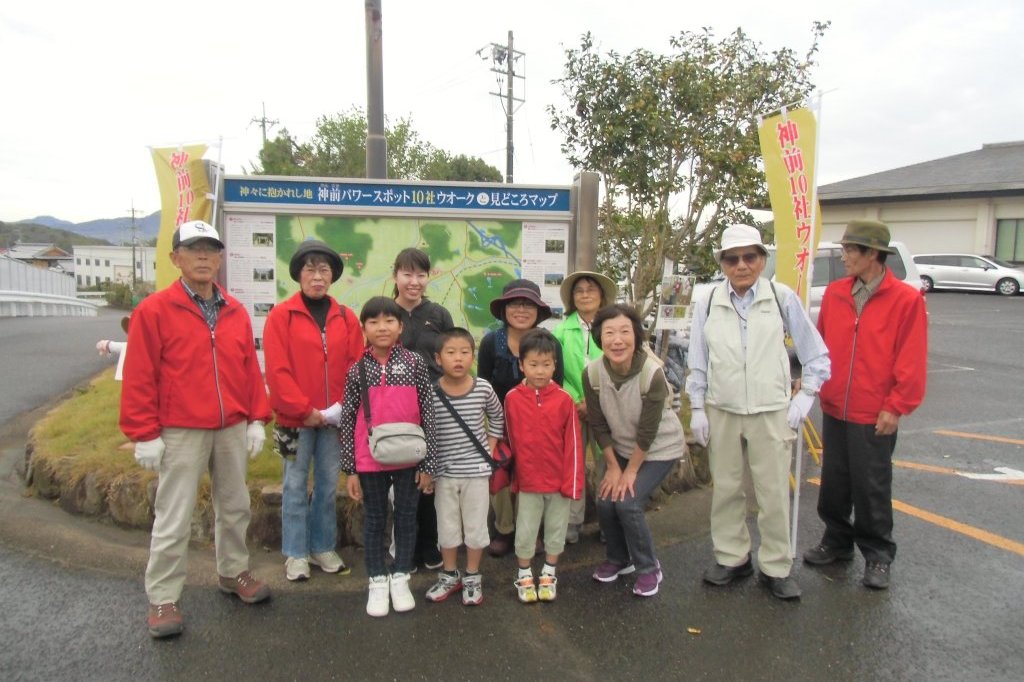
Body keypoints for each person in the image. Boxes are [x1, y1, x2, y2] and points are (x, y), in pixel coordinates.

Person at [119, 220, 272, 639]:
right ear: (176, 258)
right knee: (174, 513)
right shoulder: (154, 310)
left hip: (229, 426)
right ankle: (164, 596)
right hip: (180, 428)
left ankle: (234, 572)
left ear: (221, 258)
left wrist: (257, 417)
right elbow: (139, 374)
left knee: (235, 504)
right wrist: (144, 433)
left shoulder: (235, 311)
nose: (204, 256)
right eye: (194, 249)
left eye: (211, 249)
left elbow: (247, 370)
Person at [686, 224, 831, 600]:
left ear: (763, 260)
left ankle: (776, 565)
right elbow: (698, 360)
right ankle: (732, 557)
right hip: (724, 408)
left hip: (771, 410)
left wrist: (806, 395)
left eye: (750, 257)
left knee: (772, 493)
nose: (741, 265)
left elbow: (816, 354)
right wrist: (698, 407)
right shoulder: (708, 301)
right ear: (722, 263)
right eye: (732, 258)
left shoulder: (781, 297)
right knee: (727, 489)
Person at [803, 219, 927, 590]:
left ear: (872, 253)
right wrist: (812, 383)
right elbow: (820, 347)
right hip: (835, 404)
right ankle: (837, 541)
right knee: (835, 480)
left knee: (871, 484)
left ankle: (877, 554)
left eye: (850, 250)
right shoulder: (837, 294)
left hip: (875, 411)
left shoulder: (905, 299)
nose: (844, 257)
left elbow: (911, 358)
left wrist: (896, 405)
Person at [263, 239, 364, 582]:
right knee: (293, 484)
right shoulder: (281, 316)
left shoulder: (346, 318)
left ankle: (322, 546)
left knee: (325, 484)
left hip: (334, 419)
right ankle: (295, 552)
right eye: (310, 269)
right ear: (299, 274)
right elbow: (277, 370)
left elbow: (355, 365)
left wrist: (338, 408)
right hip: (294, 421)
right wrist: (304, 410)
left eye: (324, 270)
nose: (317, 276)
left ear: (332, 276)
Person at [339, 296, 437, 617]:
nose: (382, 328)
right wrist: (350, 468)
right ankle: (378, 580)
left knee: (408, 517)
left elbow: (428, 413)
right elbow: (349, 417)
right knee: (376, 518)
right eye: (373, 321)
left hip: (410, 456)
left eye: (389, 321)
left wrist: (428, 464)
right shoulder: (357, 370)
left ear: (401, 326)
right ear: (364, 328)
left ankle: (401, 575)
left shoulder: (414, 363)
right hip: (370, 459)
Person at [584, 304, 686, 597]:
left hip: (659, 447)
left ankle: (649, 567)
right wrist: (614, 467)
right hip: (622, 448)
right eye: (609, 333)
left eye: (625, 332)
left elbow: (648, 431)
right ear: (599, 338)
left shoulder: (651, 374)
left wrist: (629, 472)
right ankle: (619, 559)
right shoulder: (592, 374)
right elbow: (599, 424)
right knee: (605, 498)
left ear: (637, 336)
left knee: (627, 501)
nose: (617, 340)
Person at [477, 278, 565, 556]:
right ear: (504, 309)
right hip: (501, 422)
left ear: (538, 311)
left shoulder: (549, 342)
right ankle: (504, 530)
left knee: (533, 473)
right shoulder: (492, 342)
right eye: (515, 304)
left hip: (538, 423)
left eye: (528, 305)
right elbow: (483, 384)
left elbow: (556, 384)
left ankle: (533, 530)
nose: (521, 310)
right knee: (501, 473)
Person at [425, 328, 505, 606]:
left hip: (476, 473)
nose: (458, 358)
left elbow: (497, 417)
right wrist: (426, 469)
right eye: (450, 353)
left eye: (464, 352)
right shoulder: (431, 393)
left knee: (475, 527)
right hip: (443, 474)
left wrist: (492, 447)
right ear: (438, 359)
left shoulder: (482, 387)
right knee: (446, 527)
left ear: (473, 356)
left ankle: (472, 575)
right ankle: (449, 575)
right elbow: (426, 432)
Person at [503, 328, 582, 603]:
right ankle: (524, 574)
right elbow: (509, 440)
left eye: (546, 364)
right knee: (524, 530)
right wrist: (512, 476)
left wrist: (572, 483)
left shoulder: (564, 400)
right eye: (533, 364)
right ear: (521, 364)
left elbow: (573, 445)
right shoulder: (512, 398)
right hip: (527, 480)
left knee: (556, 530)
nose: (540, 371)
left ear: (555, 365)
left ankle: (549, 572)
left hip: (558, 480)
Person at [392, 247, 454, 571]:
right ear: (395, 276)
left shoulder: (439, 314)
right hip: (397, 408)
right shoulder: (387, 313)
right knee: (403, 476)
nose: (414, 281)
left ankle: (430, 543)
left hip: (435, 404)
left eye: (421, 274)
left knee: (431, 476)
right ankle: (406, 544)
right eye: (407, 274)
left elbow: (450, 355)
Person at [552, 270, 617, 544]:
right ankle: (572, 523)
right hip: (573, 408)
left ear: (601, 295)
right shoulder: (561, 330)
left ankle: (609, 522)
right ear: (571, 297)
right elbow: (556, 371)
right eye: (579, 290)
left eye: (591, 289)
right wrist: (576, 400)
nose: (585, 294)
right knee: (573, 463)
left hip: (609, 408)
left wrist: (595, 403)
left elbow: (619, 365)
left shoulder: (612, 327)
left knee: (609, 463)